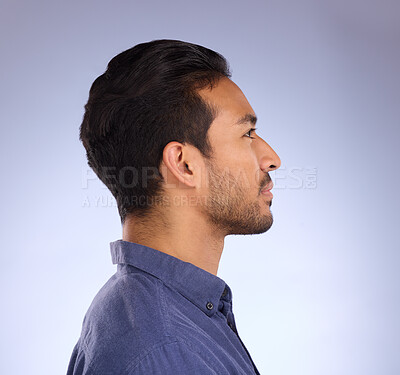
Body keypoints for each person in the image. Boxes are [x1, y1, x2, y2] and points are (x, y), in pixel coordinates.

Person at [67, 39, 281, 375]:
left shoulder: (130, 307)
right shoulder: (168, 352)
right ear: (183, 164)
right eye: (248, 133)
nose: (272, 159)